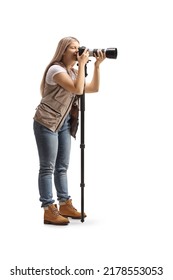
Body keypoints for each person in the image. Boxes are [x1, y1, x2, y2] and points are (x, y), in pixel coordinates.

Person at [33, 36, 106, 225]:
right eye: (72, 47)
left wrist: (97, 66)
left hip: (64, 123)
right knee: (47, 167)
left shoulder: (73, 72)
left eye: (78, 47)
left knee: (62, 167)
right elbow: (77, 88)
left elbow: (92, 88)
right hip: (46, 122)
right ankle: (49, 209)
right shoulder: (55, 70)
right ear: (63, 51)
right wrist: (82, 64)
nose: (77, 50)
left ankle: (64, 203)